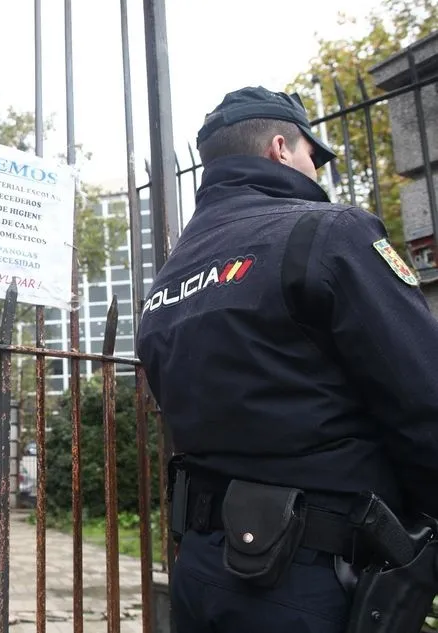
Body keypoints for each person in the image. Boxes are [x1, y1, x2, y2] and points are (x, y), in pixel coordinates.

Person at [135, 86, 438, 632]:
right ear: (280, 147)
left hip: (202, 570)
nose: (315, 170)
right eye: (311, 155)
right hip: (312, 577)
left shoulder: (171, 278)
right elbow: (425, 399)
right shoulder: (329, 232)